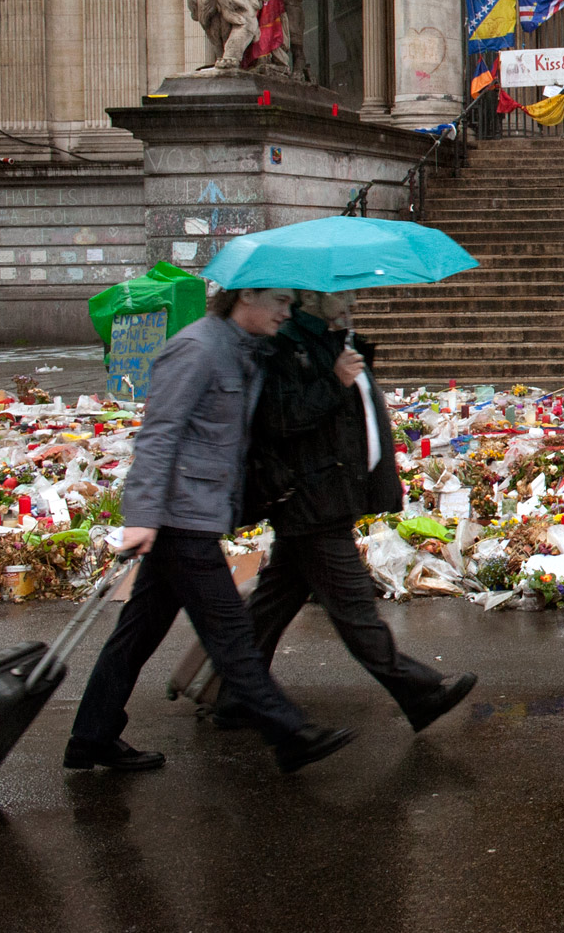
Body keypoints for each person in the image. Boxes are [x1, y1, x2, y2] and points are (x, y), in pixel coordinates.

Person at [66, 287, 356, 776]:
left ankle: (91, 736)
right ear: (247, 297)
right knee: (231, 632)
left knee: (136, 635)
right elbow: (160, 432)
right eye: (281, 301)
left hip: (196, 511)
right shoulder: (197, 347)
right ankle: (289, 732)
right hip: (180, 516)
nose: (288, 311)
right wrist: (140, 516)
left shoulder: (242, 348)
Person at [214, 290, 476, 732]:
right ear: (313, 296)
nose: (351, 298)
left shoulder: (327, 339)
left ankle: (236, 693)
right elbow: (281, 419)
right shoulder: (287, 345)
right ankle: (419, 692)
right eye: (341, 293)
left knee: (276, 598)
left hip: (324, 490)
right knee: (354, 607)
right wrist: (333, 379)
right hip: (311, 496)